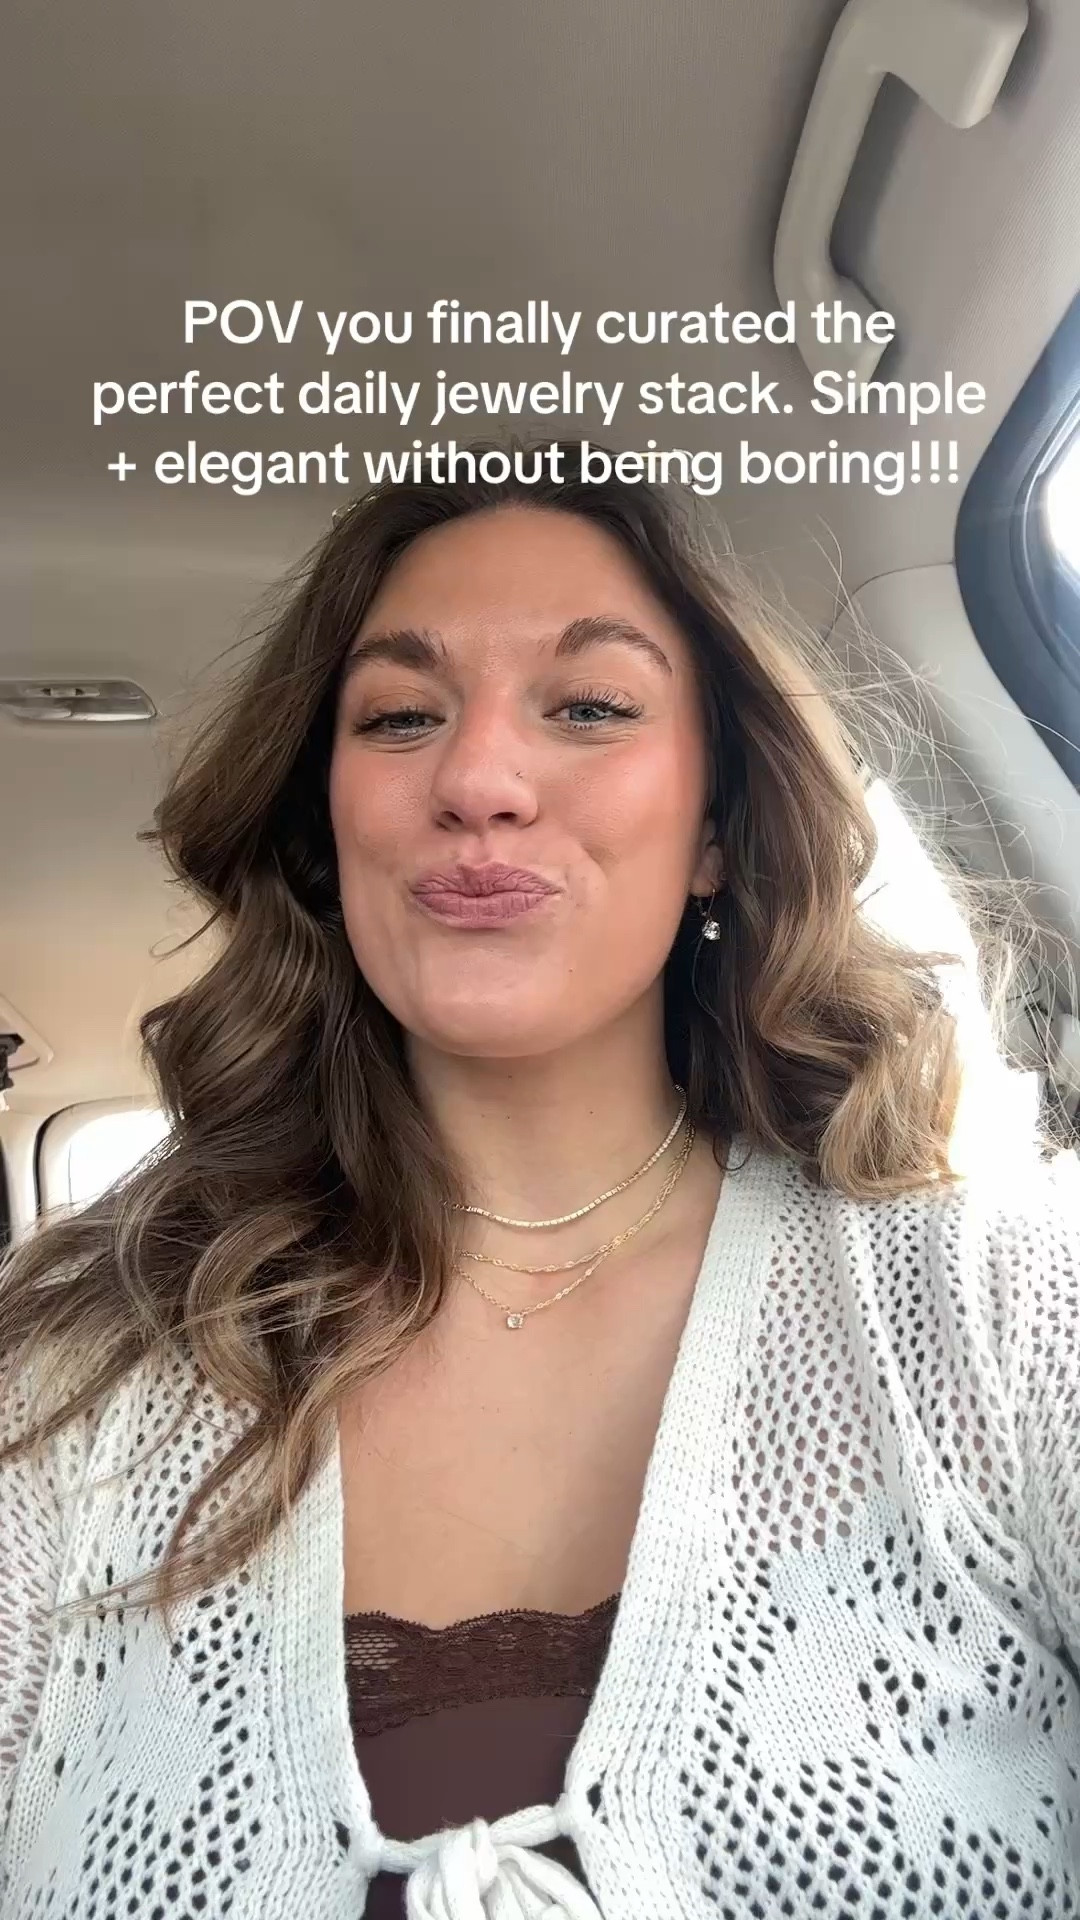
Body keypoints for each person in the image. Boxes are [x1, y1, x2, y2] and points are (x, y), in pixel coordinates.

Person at [1, 441, 1078, 1920]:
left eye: (589, 706)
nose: (478, 779)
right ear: (326, 832)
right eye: (400, 716)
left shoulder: (1006, 1311)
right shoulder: (68, 1381)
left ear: (715, 832)